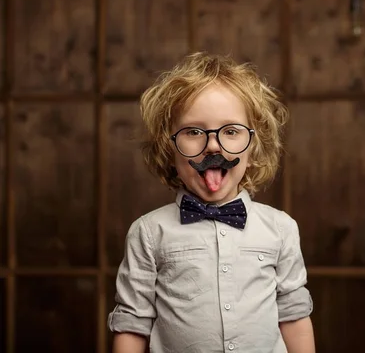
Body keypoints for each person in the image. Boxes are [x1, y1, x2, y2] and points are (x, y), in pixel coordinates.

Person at [107, 52, 315, 353]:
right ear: (170, 147)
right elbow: (132, 324)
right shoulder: (148, 233)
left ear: (253, 146)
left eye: (231, 131)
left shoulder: (280, 228)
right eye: (194, 131)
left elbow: (294, 316)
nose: (213, 145)